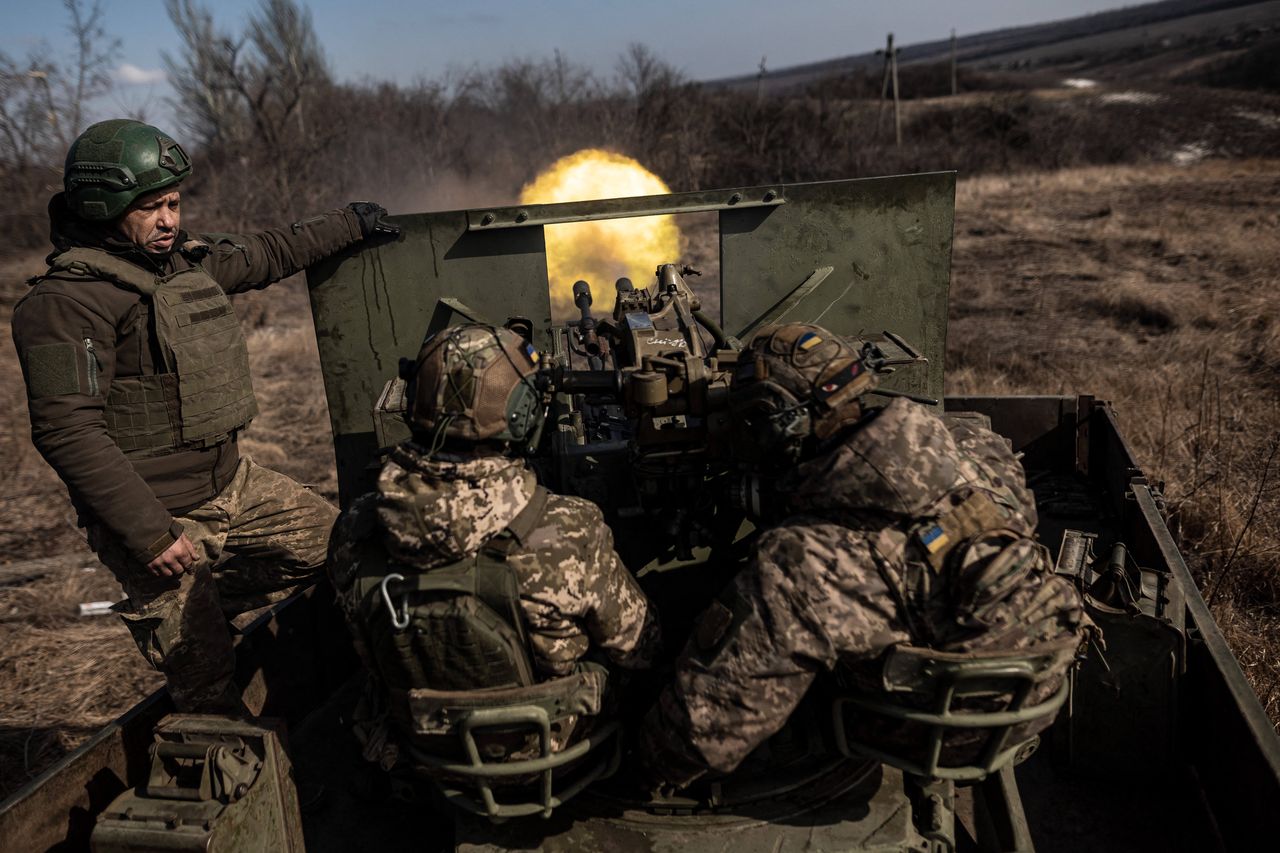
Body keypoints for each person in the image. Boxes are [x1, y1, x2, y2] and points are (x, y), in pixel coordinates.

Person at [11, 118, 400, 714]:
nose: (169, 219)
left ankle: (208, 603)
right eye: (150, 208)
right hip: (159, 516)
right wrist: (149, 533)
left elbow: (268, 253)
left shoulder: (180, 264)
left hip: (234, 486)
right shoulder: (65, 304)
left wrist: (351, 222)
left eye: (173, 203)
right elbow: (67, 430)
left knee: (345, 547)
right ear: (102, 208)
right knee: (207, 691)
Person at [637, 322, 1091, 789]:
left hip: (941, 731)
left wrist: (640, 757)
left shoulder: (806, 560)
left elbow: (702, 734)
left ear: (770, 420)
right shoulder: (975, 445)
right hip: (1039, 692)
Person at [327, 323, 661, 772]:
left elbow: (364, 651)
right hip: (552, 754)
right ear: (523, 415)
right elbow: (640, 648)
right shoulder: (569, 529)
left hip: (426, 752)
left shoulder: (355, 528)